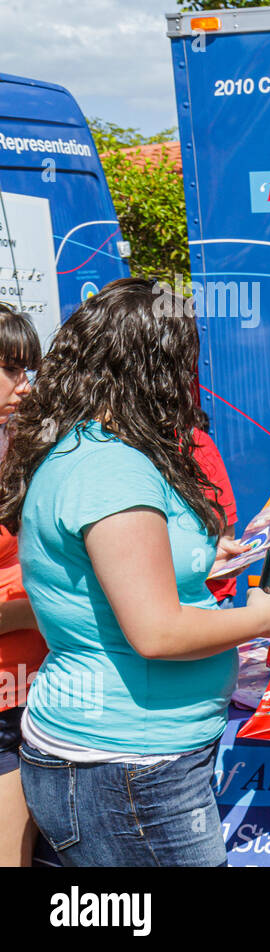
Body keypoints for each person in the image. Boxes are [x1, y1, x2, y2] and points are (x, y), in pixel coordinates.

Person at [0, 278, 270, 866]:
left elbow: (119, 566)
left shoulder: (99, 451)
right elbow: (157, 632)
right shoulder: (111, 468)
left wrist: (201, 560)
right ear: (156, 367)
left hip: (131, 761)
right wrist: (257, 618)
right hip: (128, 766)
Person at [0, 305, 40, 867]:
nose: (24, 387)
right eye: (10, 368)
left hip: (29, 696)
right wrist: (45, 608)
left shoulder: (15, 448)